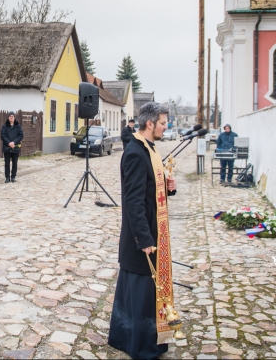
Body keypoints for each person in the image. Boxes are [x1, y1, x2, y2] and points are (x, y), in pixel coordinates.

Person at [108, 102, 178, 359]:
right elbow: (133, 201)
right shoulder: (136, 153)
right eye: (162, 123)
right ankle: (139, 343)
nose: (165, 126)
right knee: (139, 292)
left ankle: (142, 338)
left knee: (142, 291)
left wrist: (168, 186)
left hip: (151, 230)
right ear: (150, 124)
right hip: (142, 237)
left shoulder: (149, 149)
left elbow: (151, 192)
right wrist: (144, 239)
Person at [1, 112, 24, 183]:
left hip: (15, 147)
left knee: (15, 163)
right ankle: (7, 177)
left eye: (12, 116)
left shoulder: (18, 126)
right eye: (10, 116)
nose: (11, 117)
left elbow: (21, 135)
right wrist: (8, 143)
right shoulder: (5, 126)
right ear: (8, 117)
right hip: (7, 147)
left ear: (14, 117)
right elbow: (3, 136)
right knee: (7, 163)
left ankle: (13, 176)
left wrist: (14, 142)